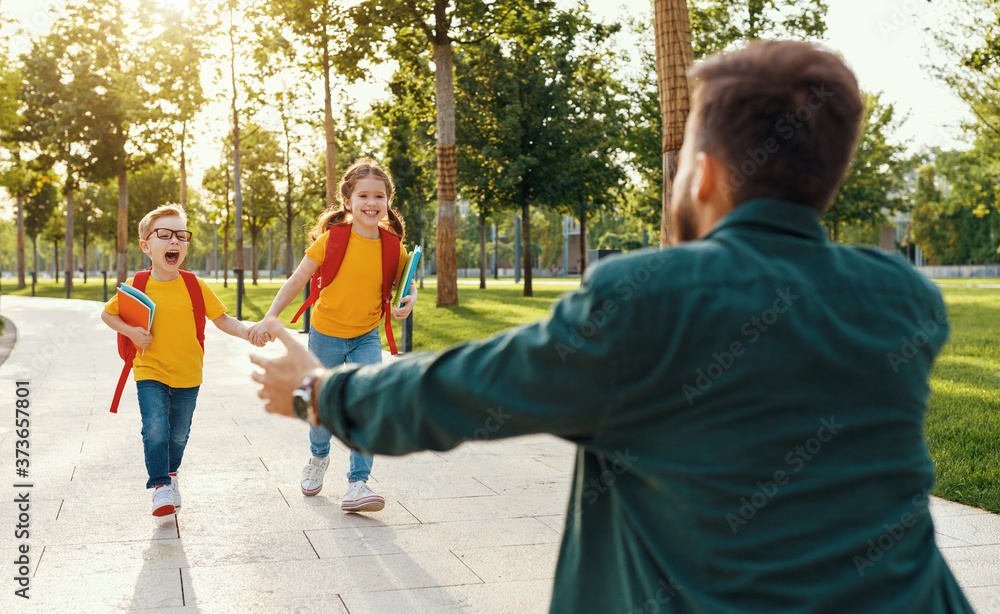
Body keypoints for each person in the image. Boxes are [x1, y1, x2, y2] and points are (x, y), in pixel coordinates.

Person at [249, 41, 973, 613]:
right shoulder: (905, 301)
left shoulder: (646, 299)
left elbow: (467, 391)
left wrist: (318, 393)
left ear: (704, 175)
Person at [248, 158, 416, 513]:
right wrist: (271, 317)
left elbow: (407, 285)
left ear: (388, 201)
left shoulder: (393, 246)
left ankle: (358, 484)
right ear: (348, 201)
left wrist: (408, 301)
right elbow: (298, 279)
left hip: (367, 336)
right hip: (325, 335)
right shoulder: (332, 239)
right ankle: (319, 457)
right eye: (364, 196)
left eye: (379, 196)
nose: (372, 203)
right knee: (320, 406)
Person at [101, 204, 259, 517]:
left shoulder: (194, 286)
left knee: (178, 434)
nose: (174, 241)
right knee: (156, 428)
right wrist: (131, 331)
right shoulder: (137, 287)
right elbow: (108, 313)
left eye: (181, 236)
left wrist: (249, 331)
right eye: (165, 235)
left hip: (189, 373)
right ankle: (160, 486)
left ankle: (171, 475)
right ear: (146, 245)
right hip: (149, 370)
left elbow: (223, 319)